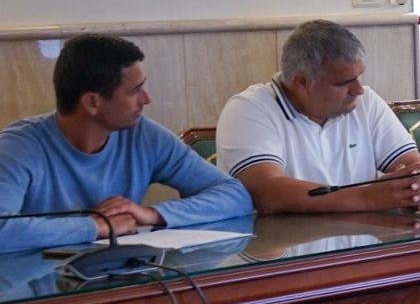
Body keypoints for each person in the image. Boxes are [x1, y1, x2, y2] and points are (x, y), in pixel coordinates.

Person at [0, 34, 252, 252]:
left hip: (122, 285)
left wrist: (153, 215)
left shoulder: (144, 135)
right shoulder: (18, 147)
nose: (147, 99)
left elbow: (235, 195)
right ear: (92, 103)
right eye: (134, 91)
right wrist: (95, 226)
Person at [215, 20, 420, 213]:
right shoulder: (249, 109)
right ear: (302, 83)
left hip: (362, 244)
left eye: (359, 77)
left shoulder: (366, 101)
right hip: (281, 252)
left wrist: (417, 182)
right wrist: (368, 197)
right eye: (344, 82)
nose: (359, 89)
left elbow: (415, 163)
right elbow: (266, 193)